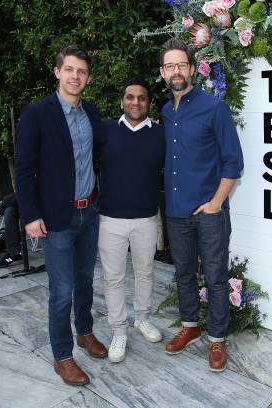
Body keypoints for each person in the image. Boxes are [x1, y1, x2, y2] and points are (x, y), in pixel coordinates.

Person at [14, 46, 105, 386]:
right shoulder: (38, 114)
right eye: (69, 69)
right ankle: (63, 357)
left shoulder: (91, 113)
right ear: (57, 72)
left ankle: (85, 333)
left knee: (85, 282)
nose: (75, 76)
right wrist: (30, 214)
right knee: (62, 289)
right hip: (54, 219)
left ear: (89, 78)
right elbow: (23, 170)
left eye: (81, 71)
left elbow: (104, 151)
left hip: (89, 212)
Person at [159, 38, 244, 372]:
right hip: (176, 212)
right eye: (170, 66)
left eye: (182, 64)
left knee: (215, 277)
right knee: (182, 274)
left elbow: (233, 163)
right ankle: (191, 327)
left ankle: (217, 340)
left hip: (209, 214)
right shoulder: (165, 112)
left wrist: (216, 203)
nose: (177, 71)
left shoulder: (214, 108)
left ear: (192, 69)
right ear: (162, 72)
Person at [98, 79, 165, 363]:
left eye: (141, 98)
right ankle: (118, 330)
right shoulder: (104, 130)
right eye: (130, 97)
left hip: (146, 218)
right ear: (121, 101)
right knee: (113, 278)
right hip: (110, 219)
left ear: (149, 103)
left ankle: (142, 319)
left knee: (145, 272)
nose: (135, 102)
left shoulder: (161, 134)